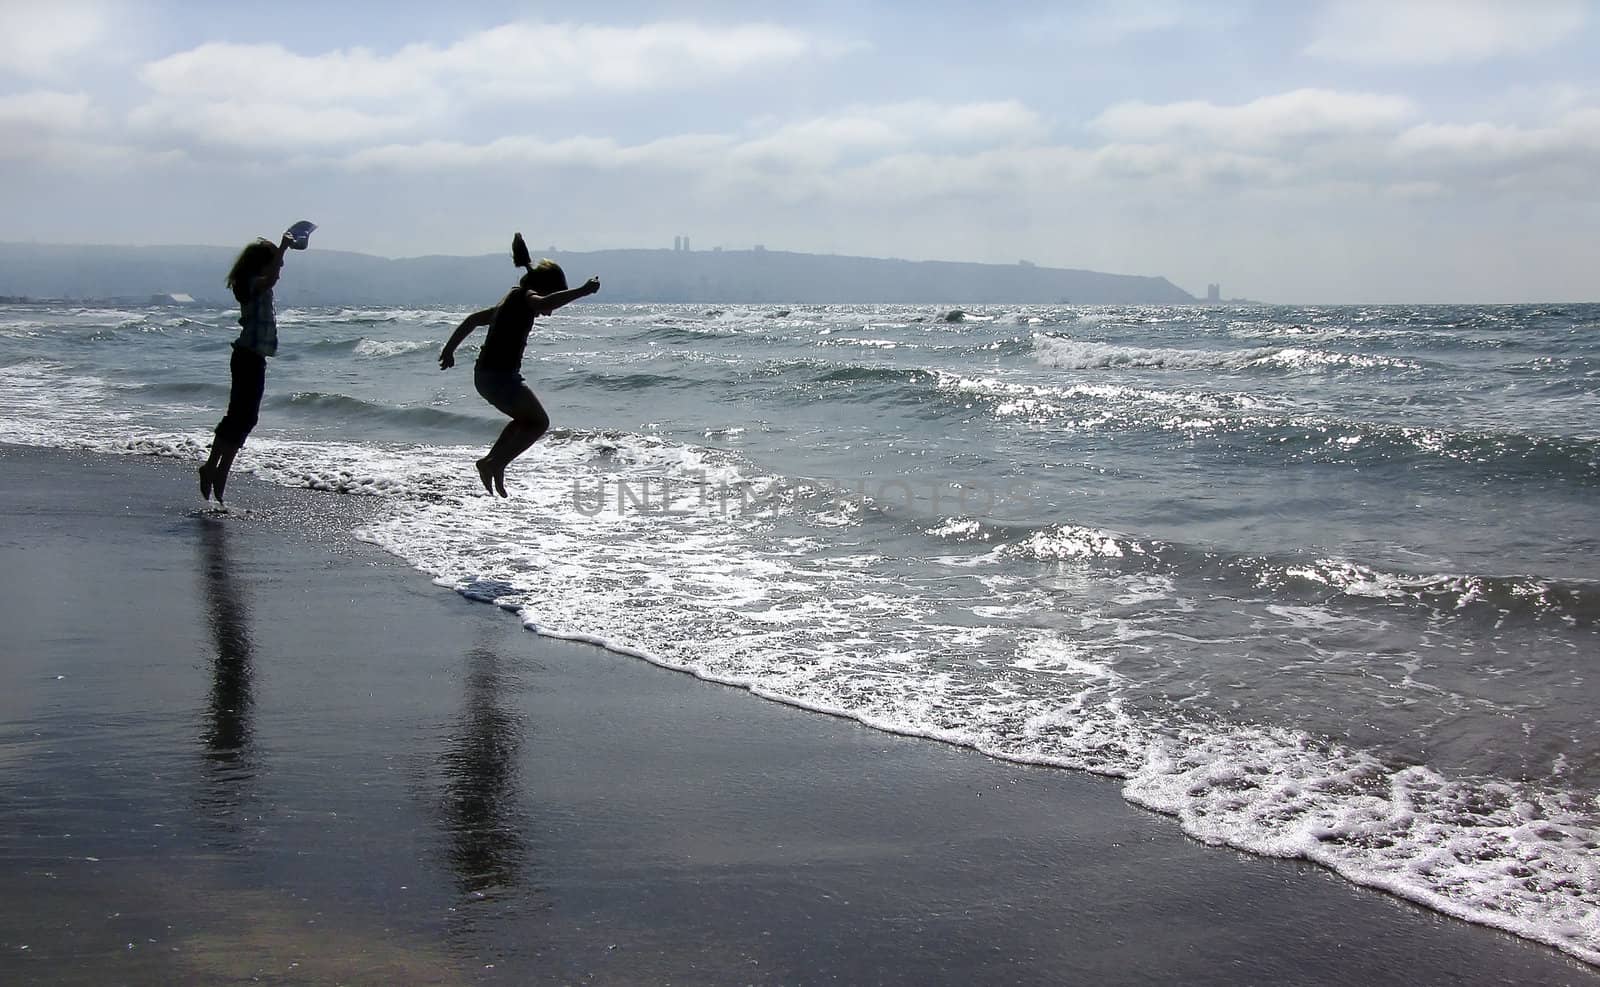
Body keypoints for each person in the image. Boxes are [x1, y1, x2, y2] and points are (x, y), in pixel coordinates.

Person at [438, 259, 600, 497]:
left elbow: (472, 320)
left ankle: (492, 462)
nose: (551, 311)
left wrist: (449, 350)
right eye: (557, 294)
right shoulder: (525, 298)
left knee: (526, 420)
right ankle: (496, 463)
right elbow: (544, 302)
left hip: (490, 376)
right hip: (497, 377)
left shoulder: (510, 301)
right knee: (539, 423)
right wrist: (582, 291)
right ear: (545, 288)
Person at [198, 228, 304, 505]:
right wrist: (282, 248)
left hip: (254, 358)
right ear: (261, 262)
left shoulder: (255, 280)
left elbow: (272, 276)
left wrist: (281, 253)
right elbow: (271, 278)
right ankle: (215, 469)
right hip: (247, 357)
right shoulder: (247, 283)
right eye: (274, 261)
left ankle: (218, 469)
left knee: (243, 418)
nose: (279, 266)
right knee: (240, 417)